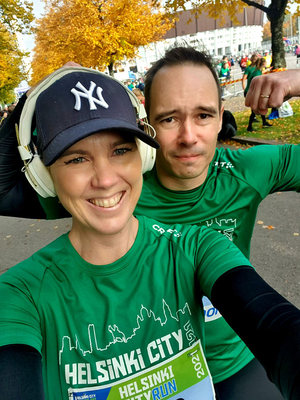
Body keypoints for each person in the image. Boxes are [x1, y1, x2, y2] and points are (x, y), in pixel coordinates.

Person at [0, 49, 300, 399]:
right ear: (149, 131)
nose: (106, 180)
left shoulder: (207, 232)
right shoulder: (26, 289)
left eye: (203, 115)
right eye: (169, 119)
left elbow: (278, 328)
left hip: (239, 361)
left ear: (221, 117)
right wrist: (41, 94)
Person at [243, 57, 272, 131]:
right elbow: (256, 84)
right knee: (254, 110)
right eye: (265, 63)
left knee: (261, 106)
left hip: (253, 91)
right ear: (263, 63)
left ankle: (264, 122)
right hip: (252, 92)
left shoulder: (258, 71)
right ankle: (249, 127)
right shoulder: (257, 72)